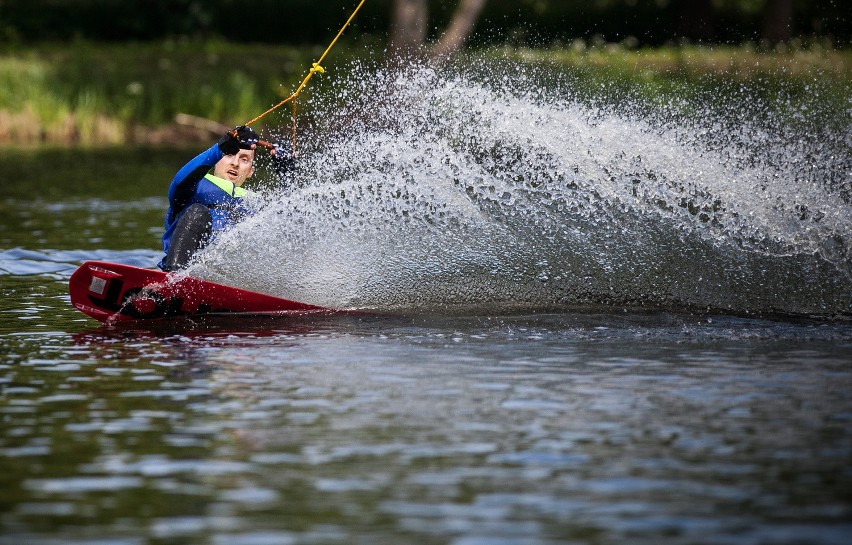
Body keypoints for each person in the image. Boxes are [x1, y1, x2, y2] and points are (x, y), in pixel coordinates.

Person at [158, 125, 293, 271]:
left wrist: (288, 175)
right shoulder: (194, 185)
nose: (235, 163)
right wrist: (220, 149)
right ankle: (174, 280)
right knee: (198, 212)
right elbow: (178, 182)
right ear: (217, 160)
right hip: (186, 272)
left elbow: (292, 224)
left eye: (244, 159)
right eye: (229, 155)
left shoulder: (258, 203)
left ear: (250, 172)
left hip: (234, 276)